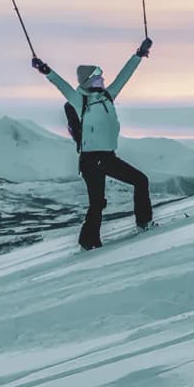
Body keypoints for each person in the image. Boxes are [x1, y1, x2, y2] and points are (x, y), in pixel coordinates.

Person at [31, 38, 153, 250]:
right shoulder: (80, 100)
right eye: (98, 78)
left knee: (141, 181)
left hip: (108, 157)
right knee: (97, 203)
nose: (103, 80)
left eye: (101, 77)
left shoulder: (108, 96)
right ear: (88, 81)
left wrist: (139, 54)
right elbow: (62, 85)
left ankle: (144, 222)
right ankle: (89, 243)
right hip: (90, 160)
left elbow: (125, 76)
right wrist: (45, 69)